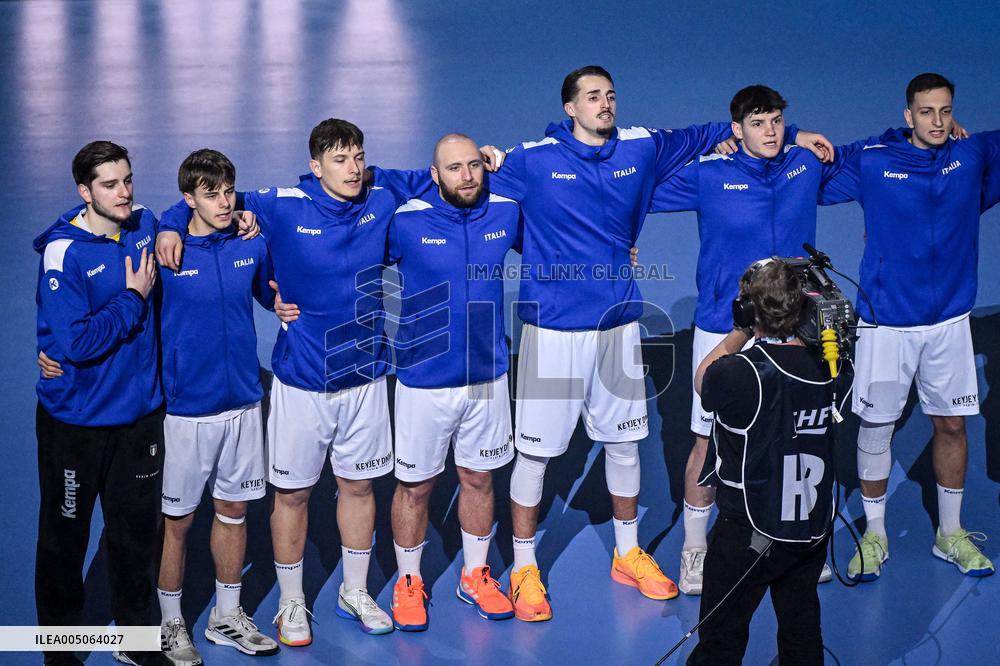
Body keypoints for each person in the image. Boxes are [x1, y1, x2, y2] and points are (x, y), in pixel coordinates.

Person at [484, 65, 834, 620]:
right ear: (569, 108)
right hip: (550, 329)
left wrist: (792, 136)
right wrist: (527, 236)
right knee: (536, 454)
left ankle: (627, 553)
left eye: (611, 95)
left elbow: (707, 132)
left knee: (623, 444)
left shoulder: (640, 147)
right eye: (592, 97)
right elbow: (474, 196)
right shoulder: (532, 158)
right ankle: (525, 565)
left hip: (620, 322)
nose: (605, 104)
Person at [157, 119, 398, 641]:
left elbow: (448, 178)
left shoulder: (383, 193)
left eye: (358, 156)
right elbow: (211, 195)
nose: (353, 168)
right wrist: (170, 224)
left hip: (366, 376)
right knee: (292, 495)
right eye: (339, 159)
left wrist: (491, 157)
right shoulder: (283, 203)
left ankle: (354, 591)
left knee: (358, 487)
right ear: (315, 166)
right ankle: (291, 604)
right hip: (299, 382)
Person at [649, 84, 887, 594]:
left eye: (778, 120)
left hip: (797, 326)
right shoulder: (709, 173)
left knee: (795, 431)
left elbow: (865, 162)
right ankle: (695, 549)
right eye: (758, 123)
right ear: (736, 130)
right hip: (726, 323)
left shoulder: (804, 165)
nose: (771, 131)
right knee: (706, 441)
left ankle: (798, 540)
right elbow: (638, 189)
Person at [820, 73, 1000, 580]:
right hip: (884, 324)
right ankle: (875, 534)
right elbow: (809, 172)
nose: (938, 122)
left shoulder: (974, 154)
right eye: (926, 112)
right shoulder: (874, 159)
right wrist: (791, 138)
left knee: (952, 424)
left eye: (945, 111)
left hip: (949, 323)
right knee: (876, 429)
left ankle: (949, 534)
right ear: (908, 116)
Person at [34, 141, 169, 666]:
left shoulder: (144, 223)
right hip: (76, 426)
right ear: (83, 192)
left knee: (136, 541)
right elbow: (77, 344)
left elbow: (178, 213)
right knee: (63, 545)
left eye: (128, 180)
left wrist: (233, 217)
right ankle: (60, 654)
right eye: (110, 185)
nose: (124, 193)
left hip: (137, 422)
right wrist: (133, 298)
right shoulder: (62, 254)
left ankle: (135, 645)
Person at [688, 259, 853, 665]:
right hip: (810, 530)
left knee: (720, 638)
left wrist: (739, 333)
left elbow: (702, 380)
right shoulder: (836, 369)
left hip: (749, 533)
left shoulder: (739, 373)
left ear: (749, 312)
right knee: (801, 629)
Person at [153, 150, 279, 661]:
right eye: (211, 194)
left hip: (245, 405)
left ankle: (226, 617)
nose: (225, 202)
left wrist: (281, 301)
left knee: (234, 512)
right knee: (177, 523)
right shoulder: (166, 250)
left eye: (229, 191)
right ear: (188, 200)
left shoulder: (250, 243)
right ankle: (169, 624)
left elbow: (271, 294)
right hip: (188, 413)